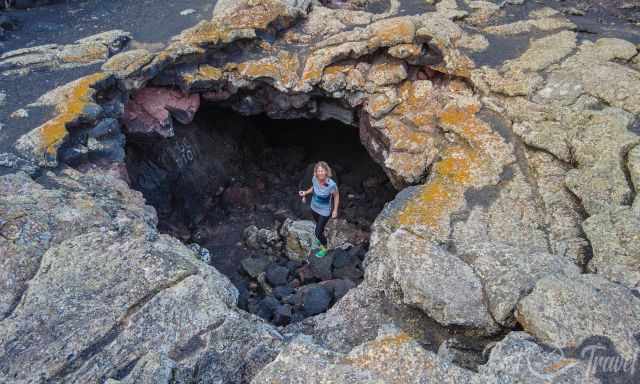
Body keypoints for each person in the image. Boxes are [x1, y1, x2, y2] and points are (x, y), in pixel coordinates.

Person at [298, 161, 339, 258]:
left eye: (322, 171)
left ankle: (324, 247)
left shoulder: (331, 185)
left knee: (317, 232)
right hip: (314, 207)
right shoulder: (314, 179)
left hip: (325, 211)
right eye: (318, 171)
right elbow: (313, 188)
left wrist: (335, 210)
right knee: (319, 227)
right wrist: (305, 193)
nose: (320, 173)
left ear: (326, 172)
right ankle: (321, 235)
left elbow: (336, 196)